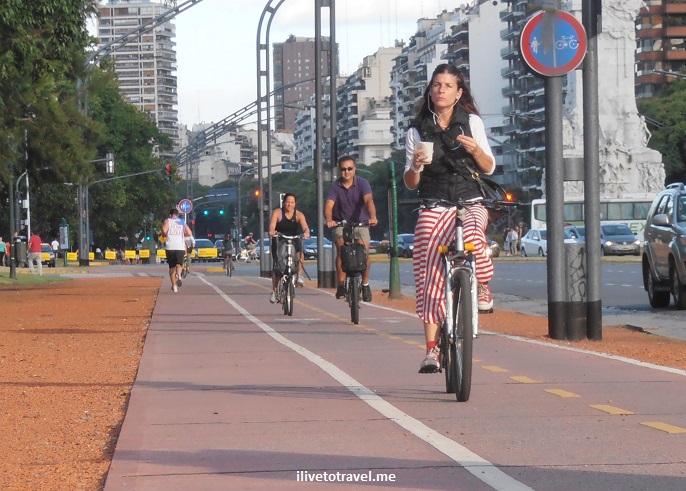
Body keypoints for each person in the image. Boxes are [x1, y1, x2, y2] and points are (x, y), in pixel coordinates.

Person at [403, 63, 496, 374]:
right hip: (433, 202)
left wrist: (475, 150)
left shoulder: (471, 122)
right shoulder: (417, 130)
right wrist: (416, 166)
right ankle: (431, 349)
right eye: (436, 85)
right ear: (430, 91)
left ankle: (482, 285)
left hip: (469, 199)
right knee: (427, 266)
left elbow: (489, 167)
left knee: (474, 235)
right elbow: (410, 183)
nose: (441, 90)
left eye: (447, 85)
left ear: (458, 93)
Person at [324, 155, 378, 302]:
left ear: (354, 169)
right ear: (339, 170)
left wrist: (373, 217)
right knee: (342, 250)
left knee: (364, 252)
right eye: (343, 169)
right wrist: (329, 220)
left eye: (349, 168)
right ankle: (341, 284)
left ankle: (365, 284)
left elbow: (369, 200)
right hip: (341, 224)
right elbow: (328, 205)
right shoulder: (335, 186)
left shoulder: (363, 183)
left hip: (361, 223)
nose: (346, 172)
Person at [268, 193, 311, 303]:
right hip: (279, 238)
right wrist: (272, 231)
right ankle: (274, 291)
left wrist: (306, 232)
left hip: (294, 238)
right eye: (287, 202)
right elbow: (272, 224)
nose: (289, 204)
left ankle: (299, 277)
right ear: (284, 202)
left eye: (292, 202)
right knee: (277, 266)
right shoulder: (277, 212)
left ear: (295, 204)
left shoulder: (299, 214)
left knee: (300, 254)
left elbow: (305, 227)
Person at [161, 208, 193, 293]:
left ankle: (174, 286)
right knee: (179, 264)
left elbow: (164, 230)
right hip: (180, 247)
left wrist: (164, 234)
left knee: (172, 267)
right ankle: (179, 274)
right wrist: (182, 233)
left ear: (170, 215)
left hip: (170, 247)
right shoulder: (182, 221)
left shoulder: (167, 221)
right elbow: (190, 233)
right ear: (177, 215)